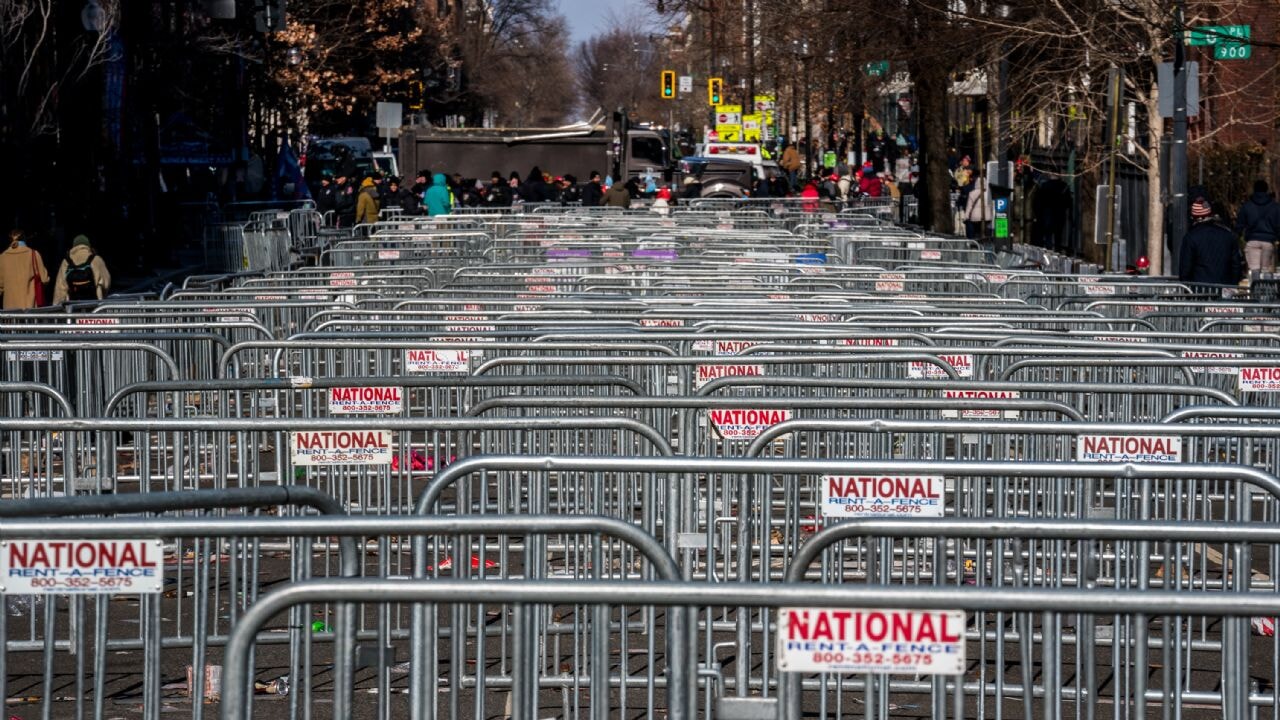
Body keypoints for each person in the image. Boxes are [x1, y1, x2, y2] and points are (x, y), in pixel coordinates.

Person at [1181, 198, 1243, 286]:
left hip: (1198, 289)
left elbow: (1185, 269)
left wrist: (1187, 288)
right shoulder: (1228, 235)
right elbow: (1236, 265)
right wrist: (1232, 285)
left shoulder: (1190, 237)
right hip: (1225, 287)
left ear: (1194, 217)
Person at [1234, 179, 1280, 275]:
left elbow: (1240, 225)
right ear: (1266, 190)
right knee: (1266, 271)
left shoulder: (1247, 206)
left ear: (1254, 190)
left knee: (1254, 271)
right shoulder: (1275, 207)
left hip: (1252, 240)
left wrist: (1237, 237)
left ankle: (1255, 284)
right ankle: (1266, 284)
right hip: (1268, 241)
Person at [53, 234, 111, 304]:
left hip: (73, 305)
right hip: (95, 304)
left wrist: (56, 305)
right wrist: (103, 295)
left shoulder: (66, 262)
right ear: (88, 245)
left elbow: (60, 289)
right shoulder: (96, 259)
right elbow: (106, 283)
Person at [0, 230, 49, 309]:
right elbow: (44, 279)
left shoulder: (2, 257)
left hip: (9, 308)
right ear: (25, 239)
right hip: (29, 307)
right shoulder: (33, 254)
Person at [962, 174, 993, 239]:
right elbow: (991, 206)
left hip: (975, 217)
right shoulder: (989, 193)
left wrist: (966, 217)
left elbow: (969, 207)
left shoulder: (972, 193)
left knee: (976, 233)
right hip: (987, 216)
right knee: (986, 233)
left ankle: (976, 242)